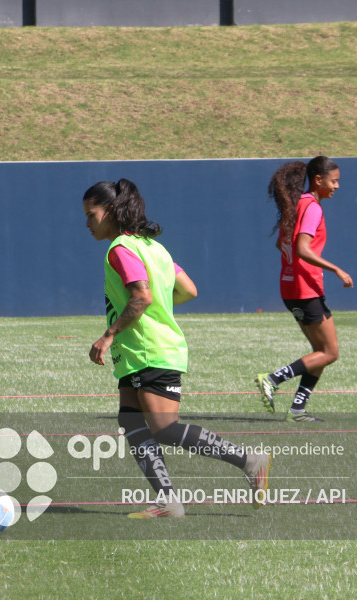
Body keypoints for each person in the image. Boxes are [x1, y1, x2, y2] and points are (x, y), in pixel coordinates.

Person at [84, 178, 272, 518]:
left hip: (147, 350)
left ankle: (249, 460)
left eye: (91, 214)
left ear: (110, 211)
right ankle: (167, 501)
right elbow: (188, 290)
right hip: (139, 351)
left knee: (165, 427)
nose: (87, 223)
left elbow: (142, 295)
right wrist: (155, 311)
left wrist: (109, 334)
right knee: (130, 419)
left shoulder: (120, 249)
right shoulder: (155, 248)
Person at [254, 156, 354, 423]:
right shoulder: (312, 208)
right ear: (318, 180)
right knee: (330, 353)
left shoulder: (297, 205)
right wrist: (335, 269)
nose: (337, 186)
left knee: (319, 351)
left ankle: (298, 409)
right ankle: (273, 379)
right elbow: (302, 249)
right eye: (334, 181)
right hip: (305, 290)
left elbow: (282, 245)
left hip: (290, 287)